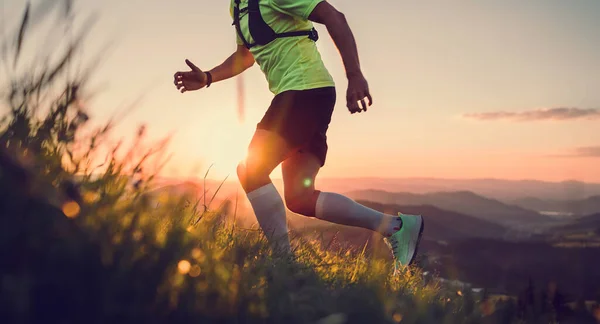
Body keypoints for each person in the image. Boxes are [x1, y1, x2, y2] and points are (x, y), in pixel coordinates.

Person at [173, 0, 424, 268]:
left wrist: (355, 75)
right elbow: (246, 55)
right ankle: (396, 227)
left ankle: (284, 265)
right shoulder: (237, 5)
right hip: (303, 95)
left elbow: (333, 16)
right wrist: (208, 77)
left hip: (304, 91)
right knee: (299, 198)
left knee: (250, 170)